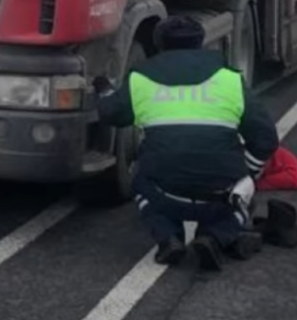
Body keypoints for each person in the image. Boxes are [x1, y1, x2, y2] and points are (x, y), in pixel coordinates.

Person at [92, 15, 280, 271]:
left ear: (159, 44)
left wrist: (103, 88)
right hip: (220, 194)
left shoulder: (141, 79)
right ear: (201, 42)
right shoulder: (230, 79)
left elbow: (110, 113)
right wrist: (249, 173)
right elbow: (265, 137)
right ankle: (213, 238)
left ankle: (168, 238)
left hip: (167, 192)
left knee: (140, 179)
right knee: (244, 198)